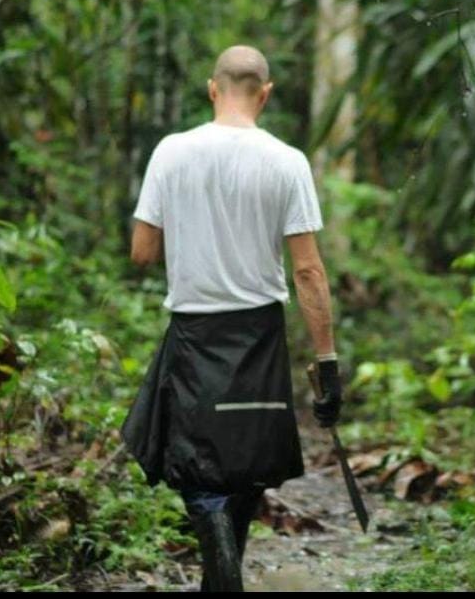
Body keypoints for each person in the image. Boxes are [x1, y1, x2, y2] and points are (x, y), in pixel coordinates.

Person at [120, 45, 343, 592]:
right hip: (259, 336)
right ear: (264, 94)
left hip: (196, 334)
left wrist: (195, 233)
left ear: (212, 88)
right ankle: (224, 576)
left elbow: (142, 252)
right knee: (243, 464)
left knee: (199, 465)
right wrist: (328, 364)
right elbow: (309, 272)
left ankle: (221, 575)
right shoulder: (287, 161)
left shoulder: (172, 152)